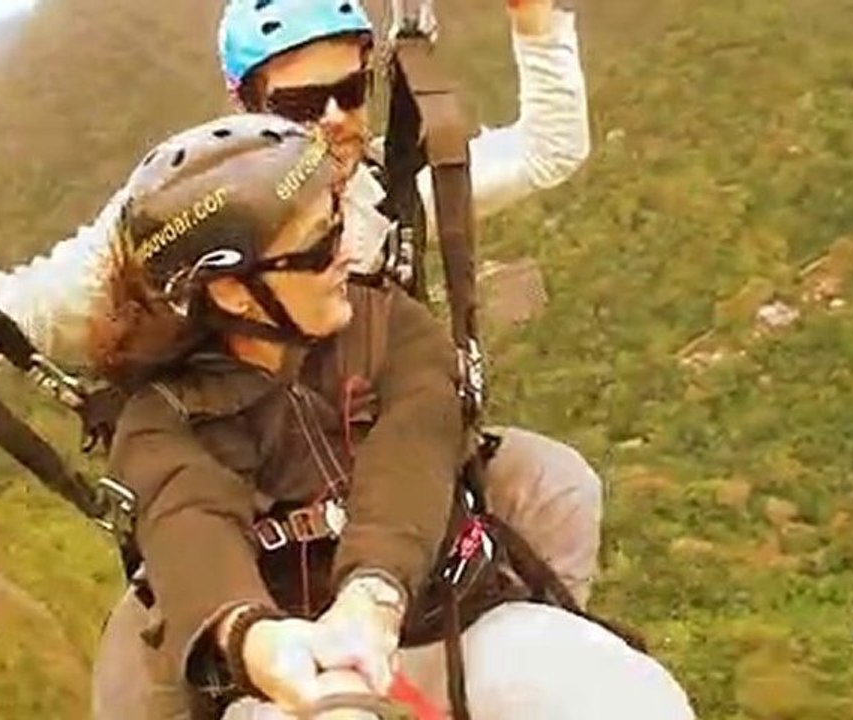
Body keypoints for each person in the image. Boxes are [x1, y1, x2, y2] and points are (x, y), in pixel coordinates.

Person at [90, 112, 694, 720]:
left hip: (447, 621)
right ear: (233, 292)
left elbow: (414, 452)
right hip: (291, 680)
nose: (347, 251)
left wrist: (371, 599)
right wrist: (258, 640)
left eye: (339, 221)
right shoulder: (162, 422)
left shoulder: (389, 326)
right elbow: (189, 527)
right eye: (320, 243)